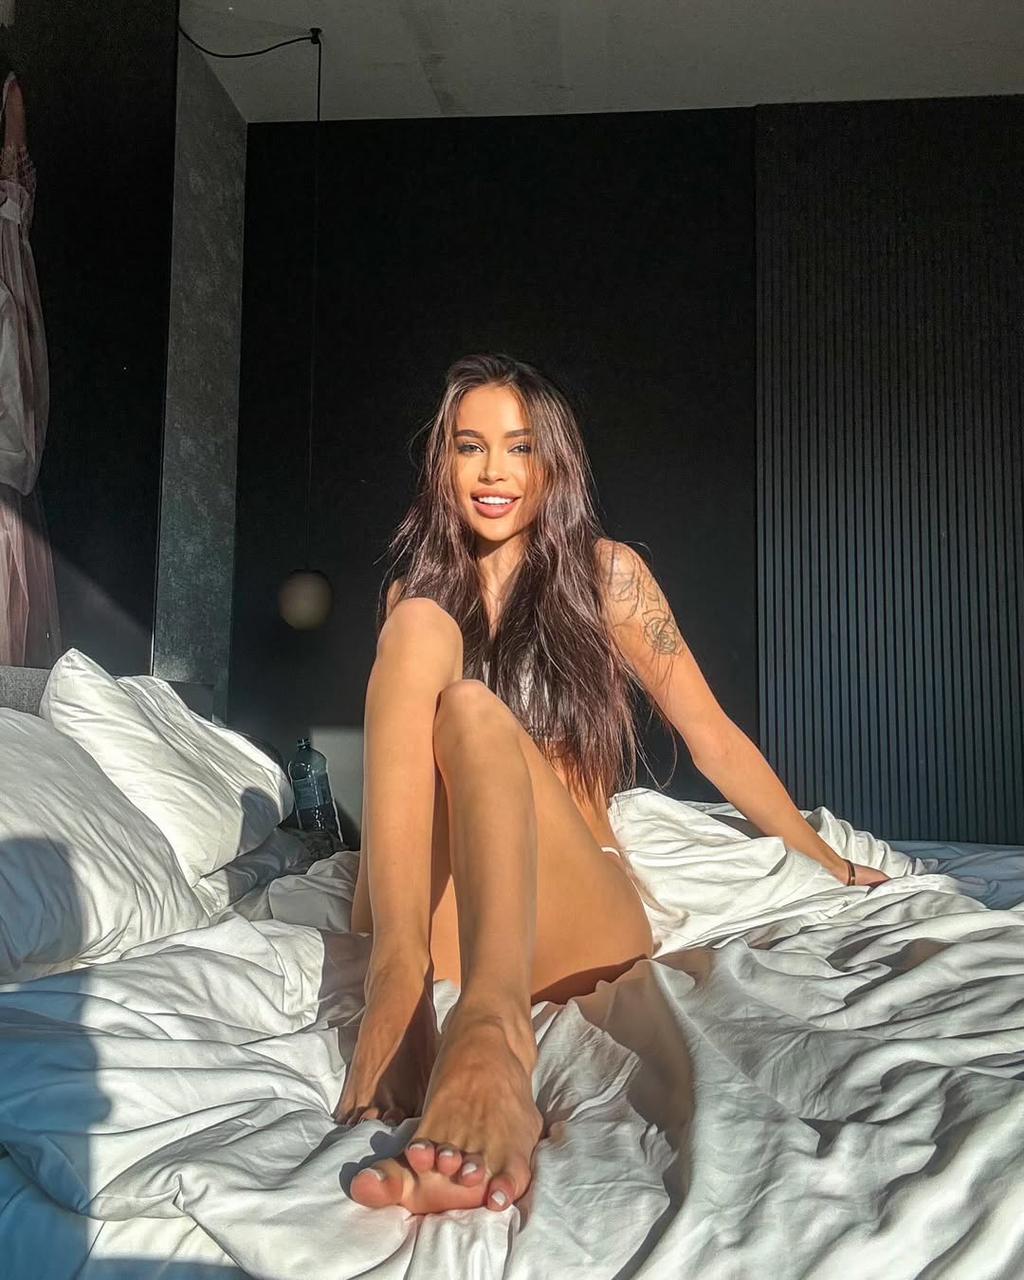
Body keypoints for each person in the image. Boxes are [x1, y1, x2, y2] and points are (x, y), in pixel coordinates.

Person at [336, 353, 889, 1216]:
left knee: (474, 710)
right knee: (415, 625)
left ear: (552, 462)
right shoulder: (415, 594)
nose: (493, 472)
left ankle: (492, 1032)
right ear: (442, 464)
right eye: (470, 447)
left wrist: (824, 857)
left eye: (519, 448)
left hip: (564, 916)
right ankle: (396, 990)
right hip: (430, 919)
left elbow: (712, 738)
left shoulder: (606, 577)